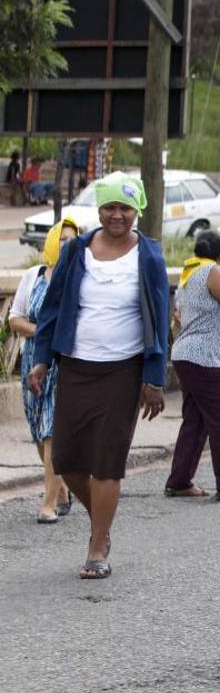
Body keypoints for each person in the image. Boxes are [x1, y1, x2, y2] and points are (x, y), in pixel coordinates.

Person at [28, 173, 170, 580]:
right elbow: (53, 308)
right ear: (99, 210)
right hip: (75, 366)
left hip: (123, 371)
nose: (117, 215)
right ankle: (101, 522)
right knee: (68, 460)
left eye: (125, 208)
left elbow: (159, 320)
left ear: (137, 210)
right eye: (109, 207)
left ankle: (97, 546)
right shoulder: (76, 251)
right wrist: (41, 359)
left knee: (107, 461)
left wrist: (154, 378)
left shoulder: (149, 256)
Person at [165, 230, 220, 501]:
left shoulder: (189, 273)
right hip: (204, 357)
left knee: (196, 419)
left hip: (189, 355)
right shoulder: (214, 272)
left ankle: (180, 480)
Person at [10, 218, 79, 523]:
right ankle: (61, 485)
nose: (67, 244)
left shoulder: (79, 277)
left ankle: (48, 503)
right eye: (61, 239)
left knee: (52, 430)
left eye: (72, 239)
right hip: (32, 361)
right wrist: (44, 332)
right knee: (38, 431)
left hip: (64, 363)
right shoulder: (33, 276)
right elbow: (15, 319)